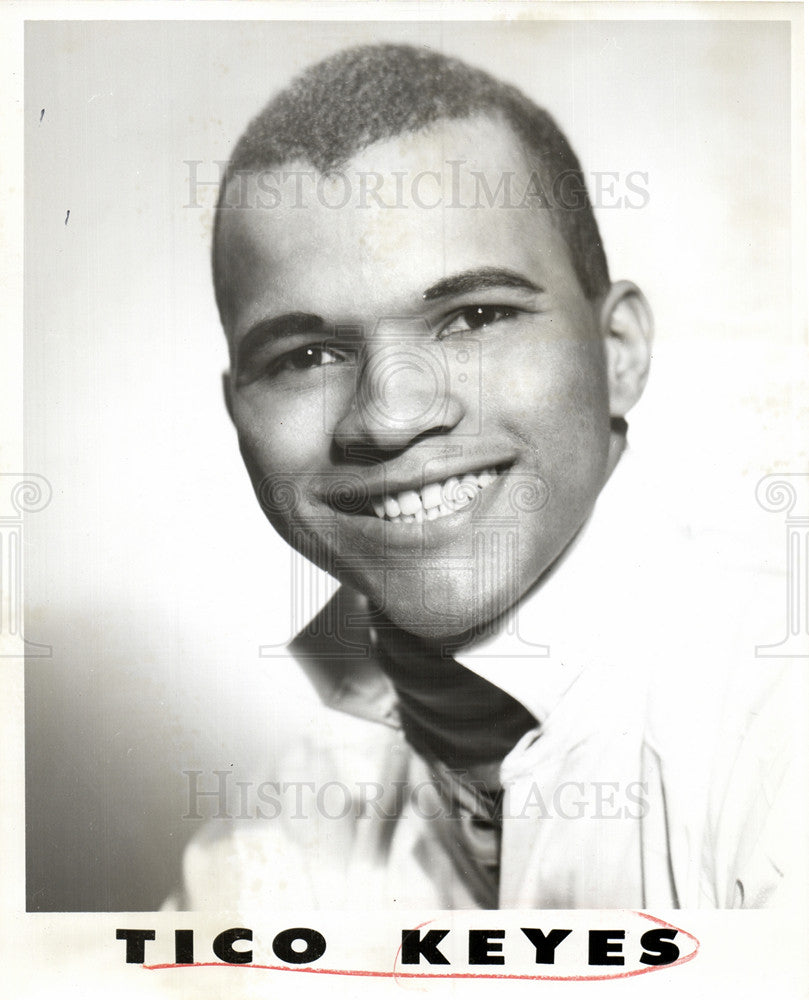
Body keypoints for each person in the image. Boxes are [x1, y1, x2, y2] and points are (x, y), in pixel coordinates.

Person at [167, 43, 800, 910]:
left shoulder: (777, 724)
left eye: (472, 317)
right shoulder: (285, 825)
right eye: (306, 354)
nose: (389, 415)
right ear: (238, 408)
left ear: (618, 352)